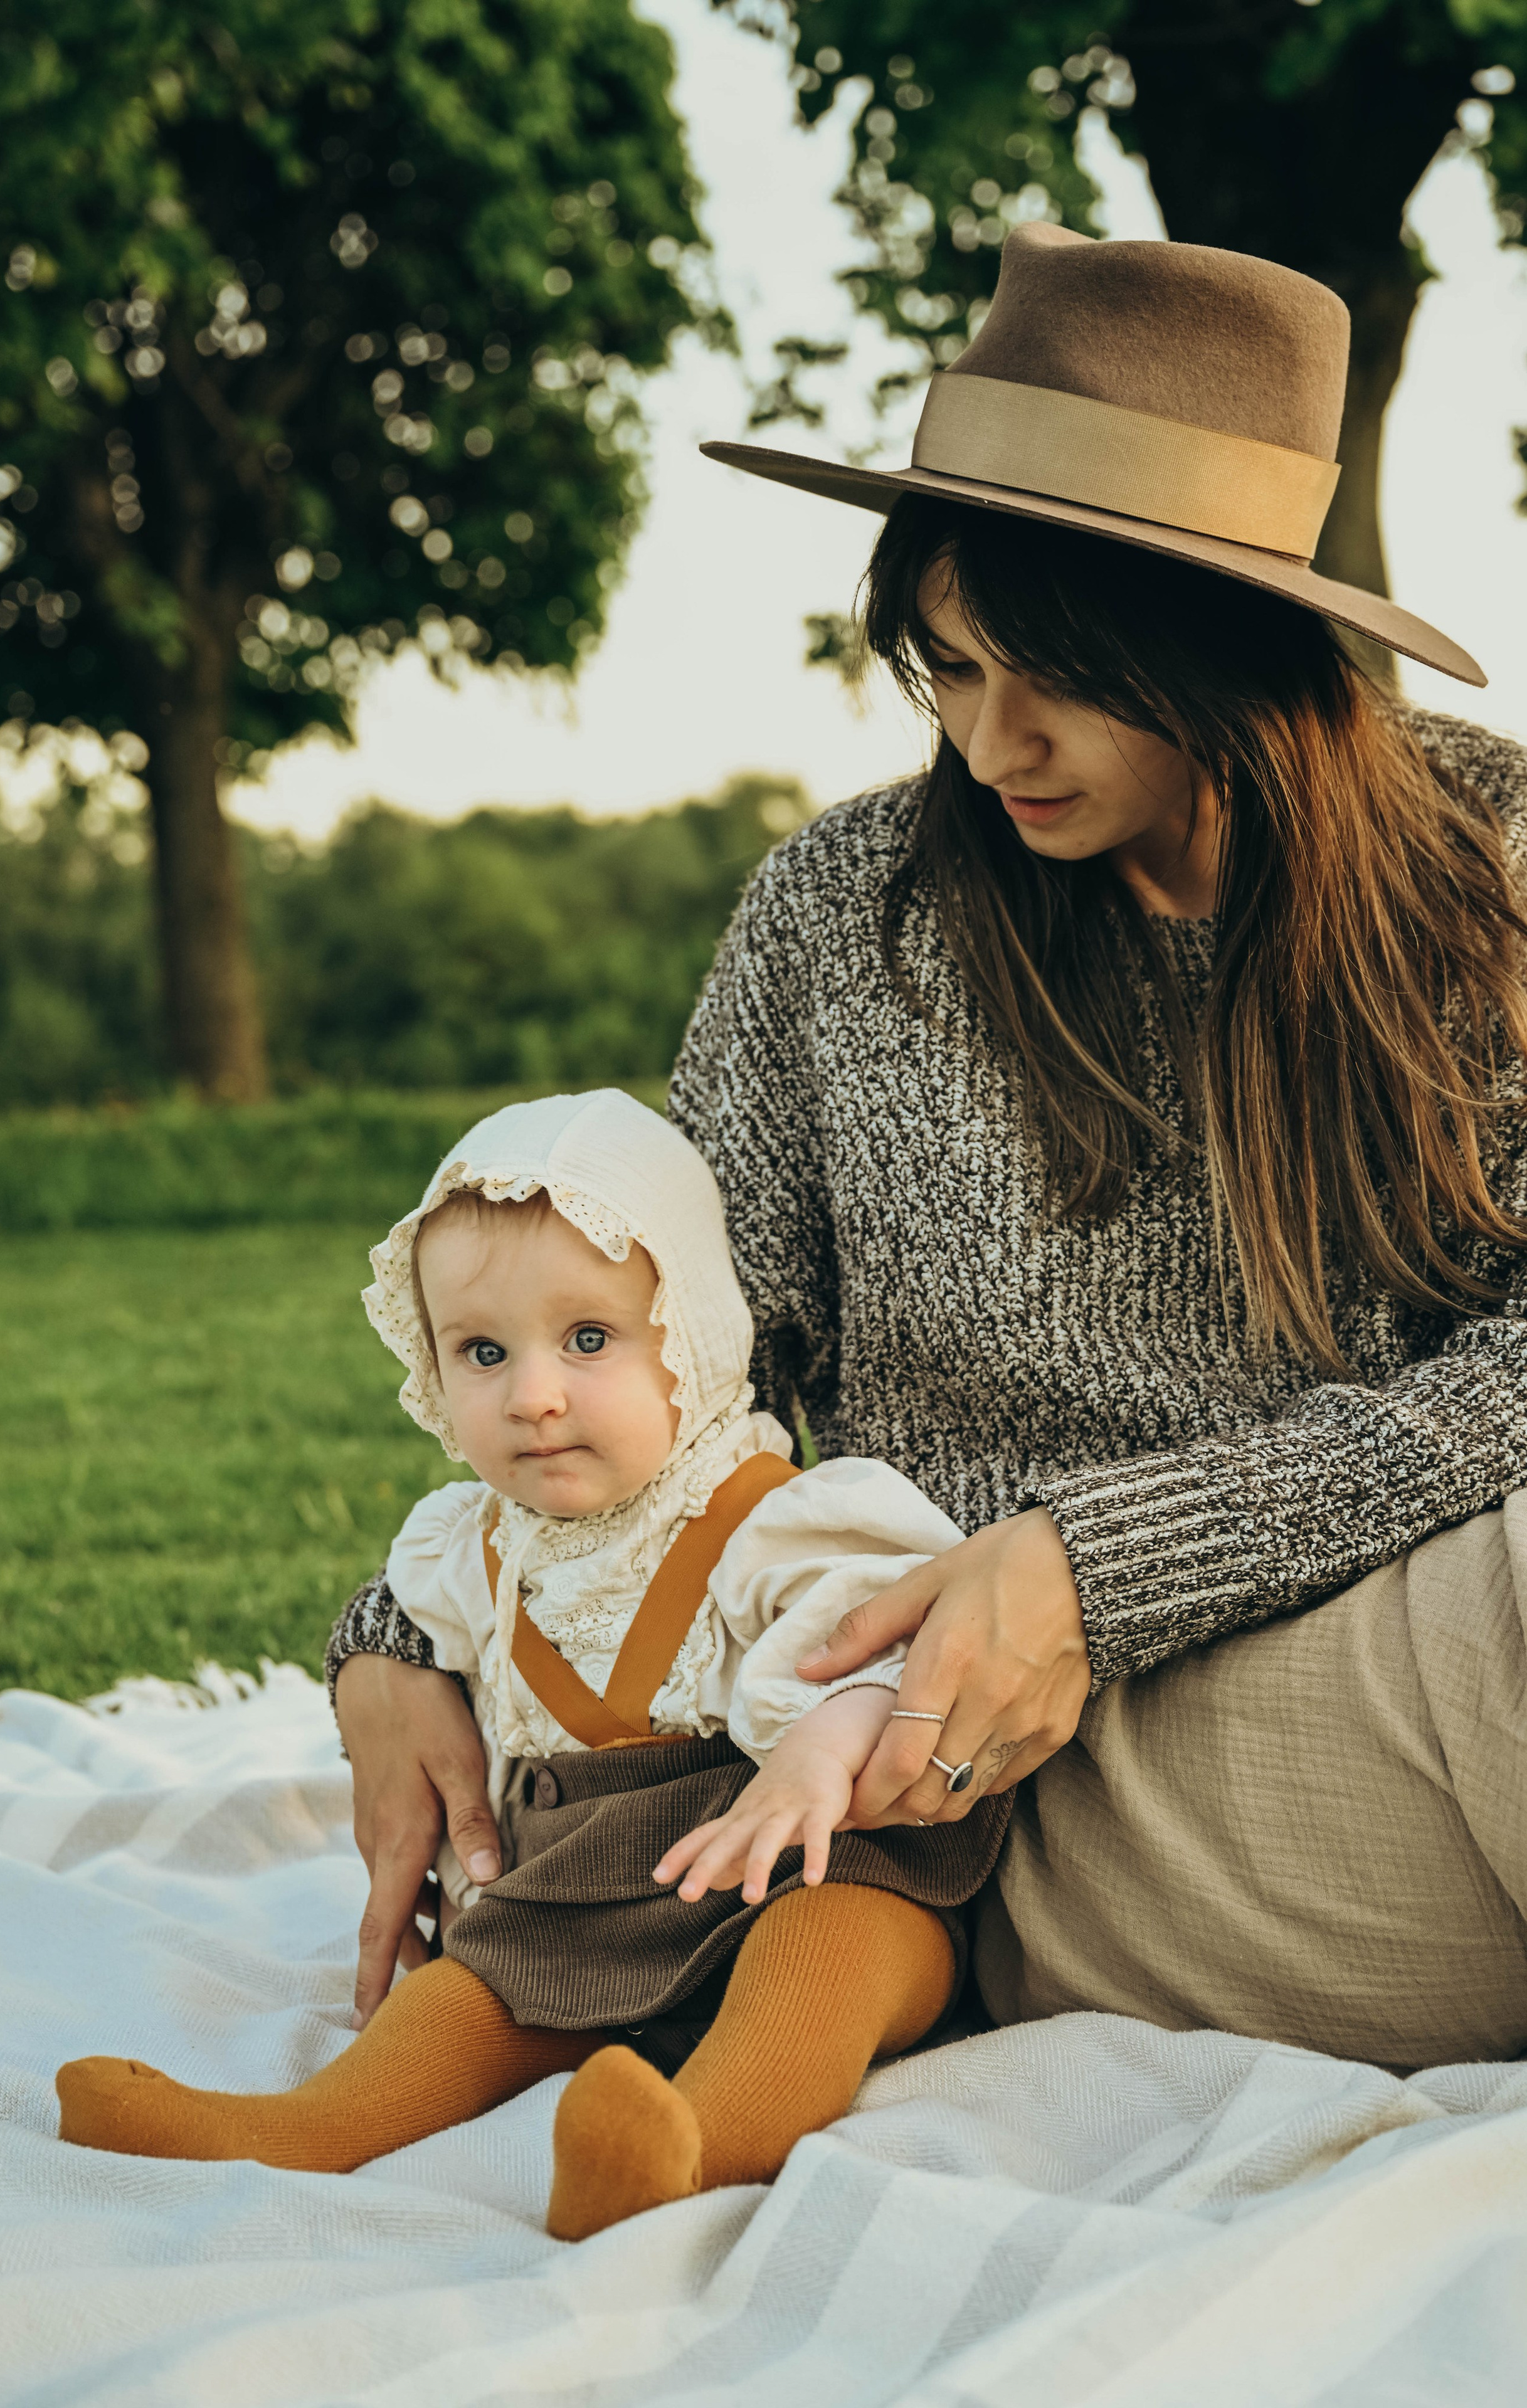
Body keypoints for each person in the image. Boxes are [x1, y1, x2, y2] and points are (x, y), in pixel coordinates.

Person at [327, 223, 1527, 2075]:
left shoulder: (1491, 865)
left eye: (1054, 672)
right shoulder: (839, 916)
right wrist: (397, 1630)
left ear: (1229, 638)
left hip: (1370, 1648)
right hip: (956, 1759)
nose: (992, 744)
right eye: (950, 671)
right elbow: (650, 1347)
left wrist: (1109, 1558)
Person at [55, 1090, 1007, 2237]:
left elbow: (899, 1641)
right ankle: (297, 2130)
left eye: (590, 1339)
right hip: (581, 1900)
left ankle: (686, 2152)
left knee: (825, 1962)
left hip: (804, 1862)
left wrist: (826, 1748)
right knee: (473, 1989)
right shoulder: (472, 1550)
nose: (535, 1395)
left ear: (692, 1338)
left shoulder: (779, 1520)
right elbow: (407, 1658)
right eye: (484, 1352)